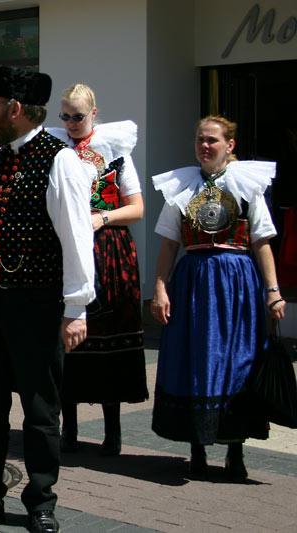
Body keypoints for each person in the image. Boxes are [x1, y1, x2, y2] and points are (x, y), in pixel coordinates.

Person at [0, 65, 94, 533]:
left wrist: (76, 308)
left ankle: (40, 502)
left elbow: (75, 238)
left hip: (38, 303)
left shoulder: (61, 160)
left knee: (40, 408)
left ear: (14, 109)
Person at [150, 115, 286, 481]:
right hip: (193, 282)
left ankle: (235, 450)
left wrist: (272, 292)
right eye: (199, 140)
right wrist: (160, 287)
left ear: (230, 145)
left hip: (237, 285)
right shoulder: (182, 184)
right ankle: (197, 448)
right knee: (196, 359)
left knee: (238, 359)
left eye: (212, 140)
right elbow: (168, 243)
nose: (204, 146)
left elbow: (261, 242)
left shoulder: (247, 185)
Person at [48, 83, 148, 456]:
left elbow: (136, 209)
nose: (72, 123)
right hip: (65, 250)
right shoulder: (56, 152)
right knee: (68, 337)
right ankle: (68, 428)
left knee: (110, 331)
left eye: (78, 116)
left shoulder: (115, 152)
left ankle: (113, 431)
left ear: (93, 112)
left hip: (109, 251)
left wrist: (102, 218)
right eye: (65, 116)